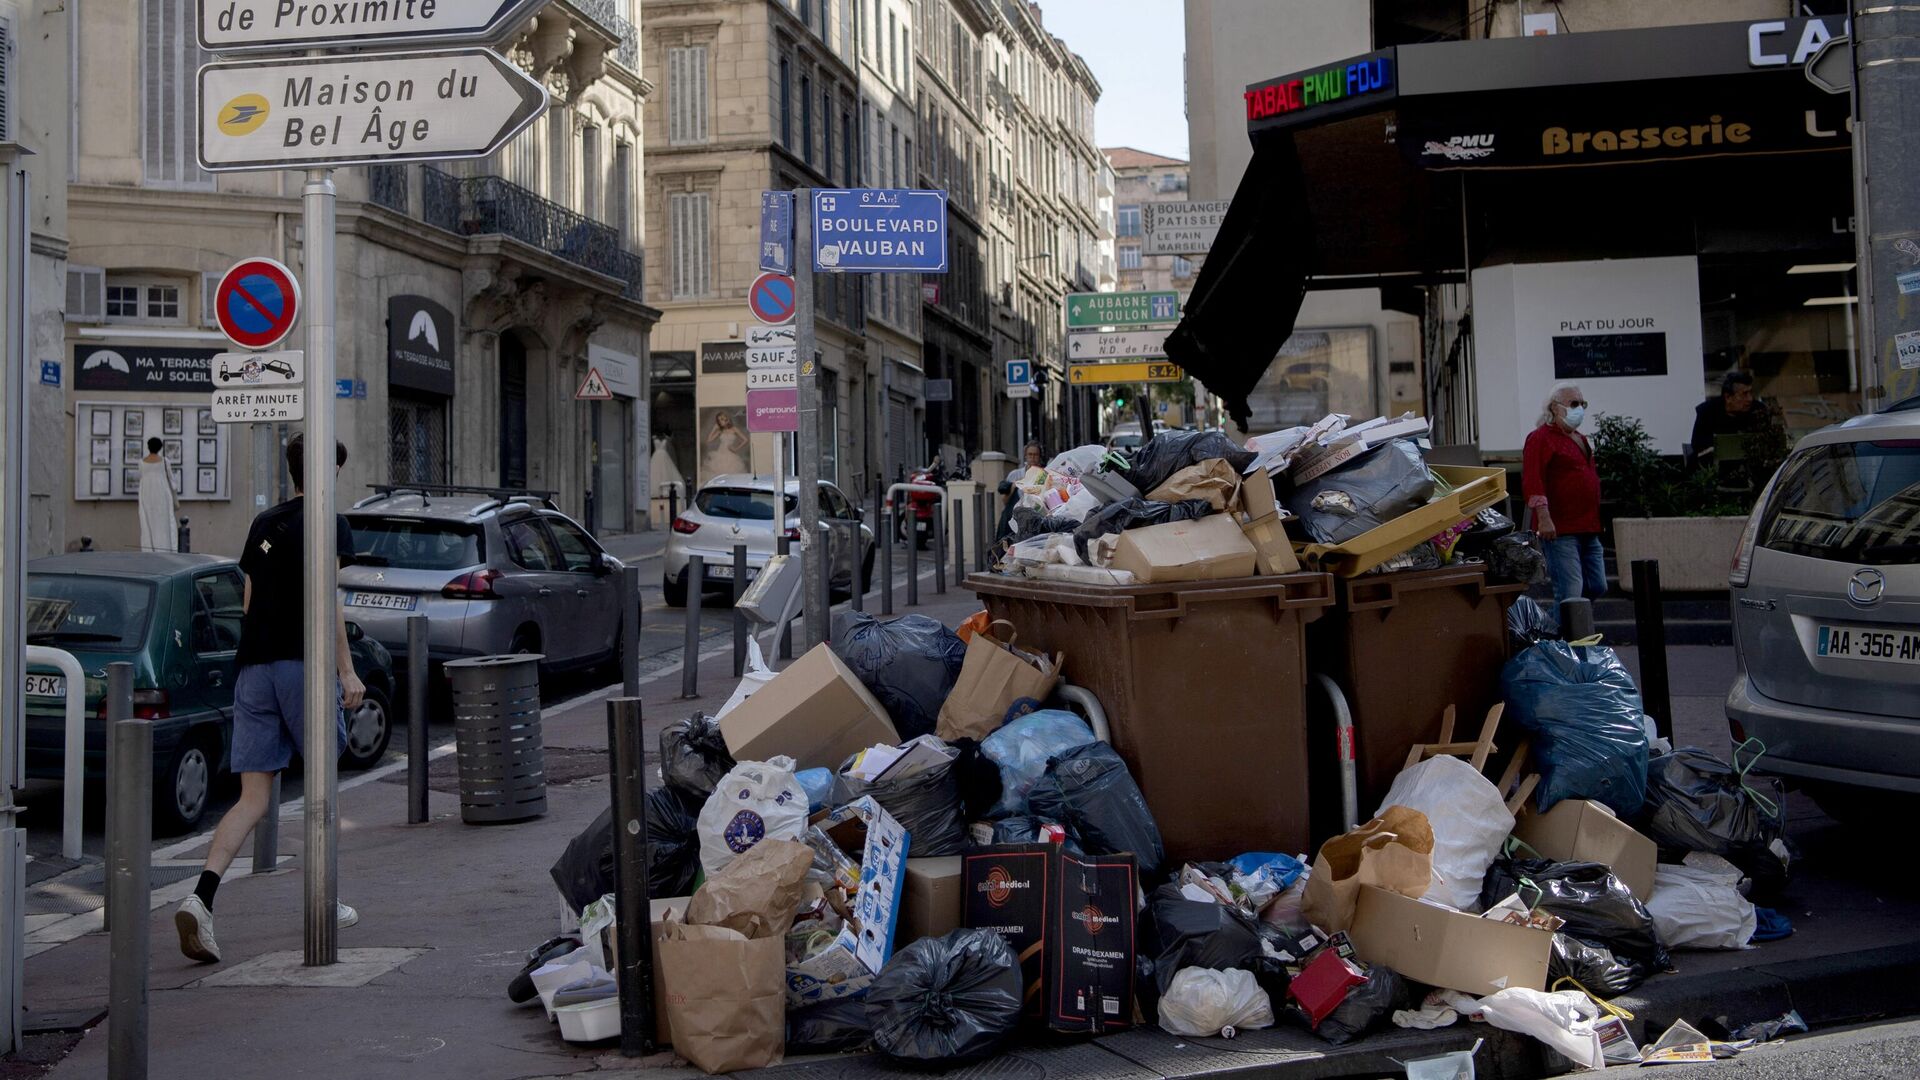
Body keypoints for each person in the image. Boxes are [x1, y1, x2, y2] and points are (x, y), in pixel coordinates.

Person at [175, 435, 365, 964]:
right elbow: (327, 600)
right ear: (326, 474)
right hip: (300, 664)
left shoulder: (265, 523)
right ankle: (323, 902)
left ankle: (202, 899)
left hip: (253, 666)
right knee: (325, 777)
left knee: (252, 798)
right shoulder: (330, 521)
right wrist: (347, 672)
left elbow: (249, 600)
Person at [1523, 382, 1606, 607]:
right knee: (1571, 590)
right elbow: (1533, 479)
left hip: (1588, 525)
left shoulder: (1580, 438)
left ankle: (1564, 626)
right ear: (1555, 407)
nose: (1579, 408)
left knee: (1597, 585)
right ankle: (1566, 635)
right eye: (1574, 403)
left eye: (1582, 403)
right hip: (1561, 528)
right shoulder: (1540, 438)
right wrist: (1543, 516)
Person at [1690, 370, 1770, 466]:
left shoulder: (1758, 410)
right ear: (1728, 397)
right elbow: (1697, 443)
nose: (1750, 399)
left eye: (1750, 393)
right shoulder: (1707, 411)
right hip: (1714, 466)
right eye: (1744, 394)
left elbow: (1767, 442)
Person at [136, 436, 177, 552]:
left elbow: (141, 478)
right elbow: (172, 481)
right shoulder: (165, 462)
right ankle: (165, 551)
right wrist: (175, 497)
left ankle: (149, 551)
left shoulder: (141, 463)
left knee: (147, 524)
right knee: (164, 525)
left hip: (146, 496)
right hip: (162, 496)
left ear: (148, 447)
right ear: (160, 448)